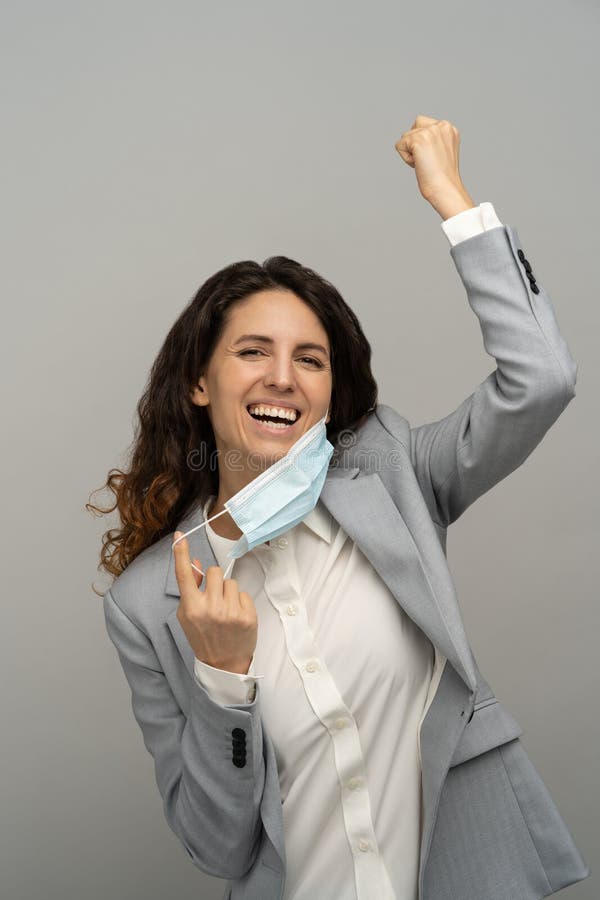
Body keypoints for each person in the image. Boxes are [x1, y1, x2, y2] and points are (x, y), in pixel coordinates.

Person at [89, 115, 590, 900]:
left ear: (330, 391)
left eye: (310, 359)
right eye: (252, 351)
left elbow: (542, 383)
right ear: (199, 383)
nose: (282, 377)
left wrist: (453, 201)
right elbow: (217, 850)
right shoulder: (147, 603)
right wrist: (223, 679)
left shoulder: (393, 475)